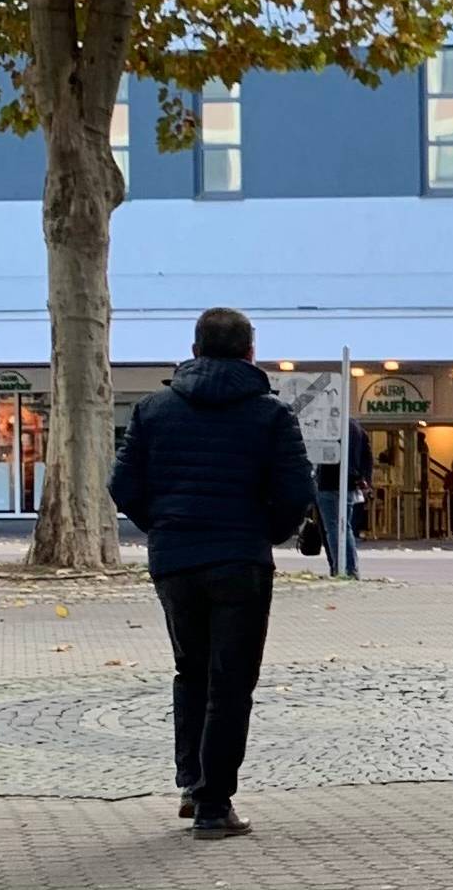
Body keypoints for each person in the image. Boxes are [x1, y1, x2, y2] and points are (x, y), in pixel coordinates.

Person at [109, 308, 314, 839]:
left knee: (191, 673)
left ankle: (190, 782)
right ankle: (213, 804)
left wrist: (165, 525)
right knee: (232, 681)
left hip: (176, 560)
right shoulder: (271, 416)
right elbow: (296, 492)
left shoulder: (154, 409)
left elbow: (124, 484)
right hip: (240, 562)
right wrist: (262, 532)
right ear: (251, 352)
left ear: (195, 350)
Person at [313, 419, 372, 579]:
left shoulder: (327, 424)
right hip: (350, 483)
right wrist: (366, 481)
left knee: (332, 528)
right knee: (345, 527)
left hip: (328, 481)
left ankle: (339, 567)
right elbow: (367, 457)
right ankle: (351, 568)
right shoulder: (357, 427)